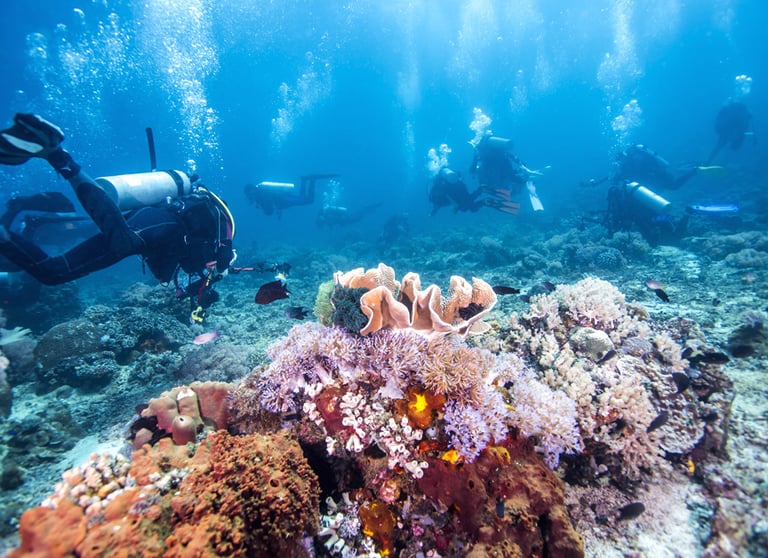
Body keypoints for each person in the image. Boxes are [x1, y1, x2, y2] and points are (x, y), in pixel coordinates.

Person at [0, 113, 236, 323]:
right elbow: (216, 244)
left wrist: (198, 291)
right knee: (124, 243)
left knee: (53, 272)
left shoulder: (201, 261)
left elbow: (167, 274)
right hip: (159, 225)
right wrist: (223, 265)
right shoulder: (221, 241)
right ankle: (60, 158)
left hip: (150, 227)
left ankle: (5, 235)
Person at [469, 134, 544, 211]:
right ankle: (525, 177)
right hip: (506, 165)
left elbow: (472, 168)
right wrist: (522, 165)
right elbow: (510, 155)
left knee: (506, 186)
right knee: (510, 177)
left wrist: (474, 172)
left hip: (496, 171)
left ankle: (525, 180)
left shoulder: (479, 150)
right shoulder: (497, 149)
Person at [428, 166, 519, 216]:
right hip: (459, 186)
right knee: (469, 206)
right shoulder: (441, 187)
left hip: (458, 194)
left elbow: (449, 199)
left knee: (465, 208)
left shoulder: (437, 196)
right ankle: (482, 193)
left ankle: (481, 193)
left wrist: (456, 208)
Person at [611, 144, 699, 190]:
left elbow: (637, 173)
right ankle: (685, 168)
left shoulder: (635, 159)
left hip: (658, 174)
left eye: (620, 161)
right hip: (655, 177)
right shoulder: (628, 164)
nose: (620, 163)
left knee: (673, 186)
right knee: (673, 182)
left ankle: (693, 170)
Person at [244, 174, 339, 217]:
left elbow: (269, 211)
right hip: (285, 200)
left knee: (308, 200)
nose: (249, 196)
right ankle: (304, 180)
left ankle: (311, 180)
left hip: (285, 200)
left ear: (251, 191)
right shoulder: (260, 194)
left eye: (249, 194)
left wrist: (264, 209)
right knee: (303, 199)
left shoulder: (261, 195)